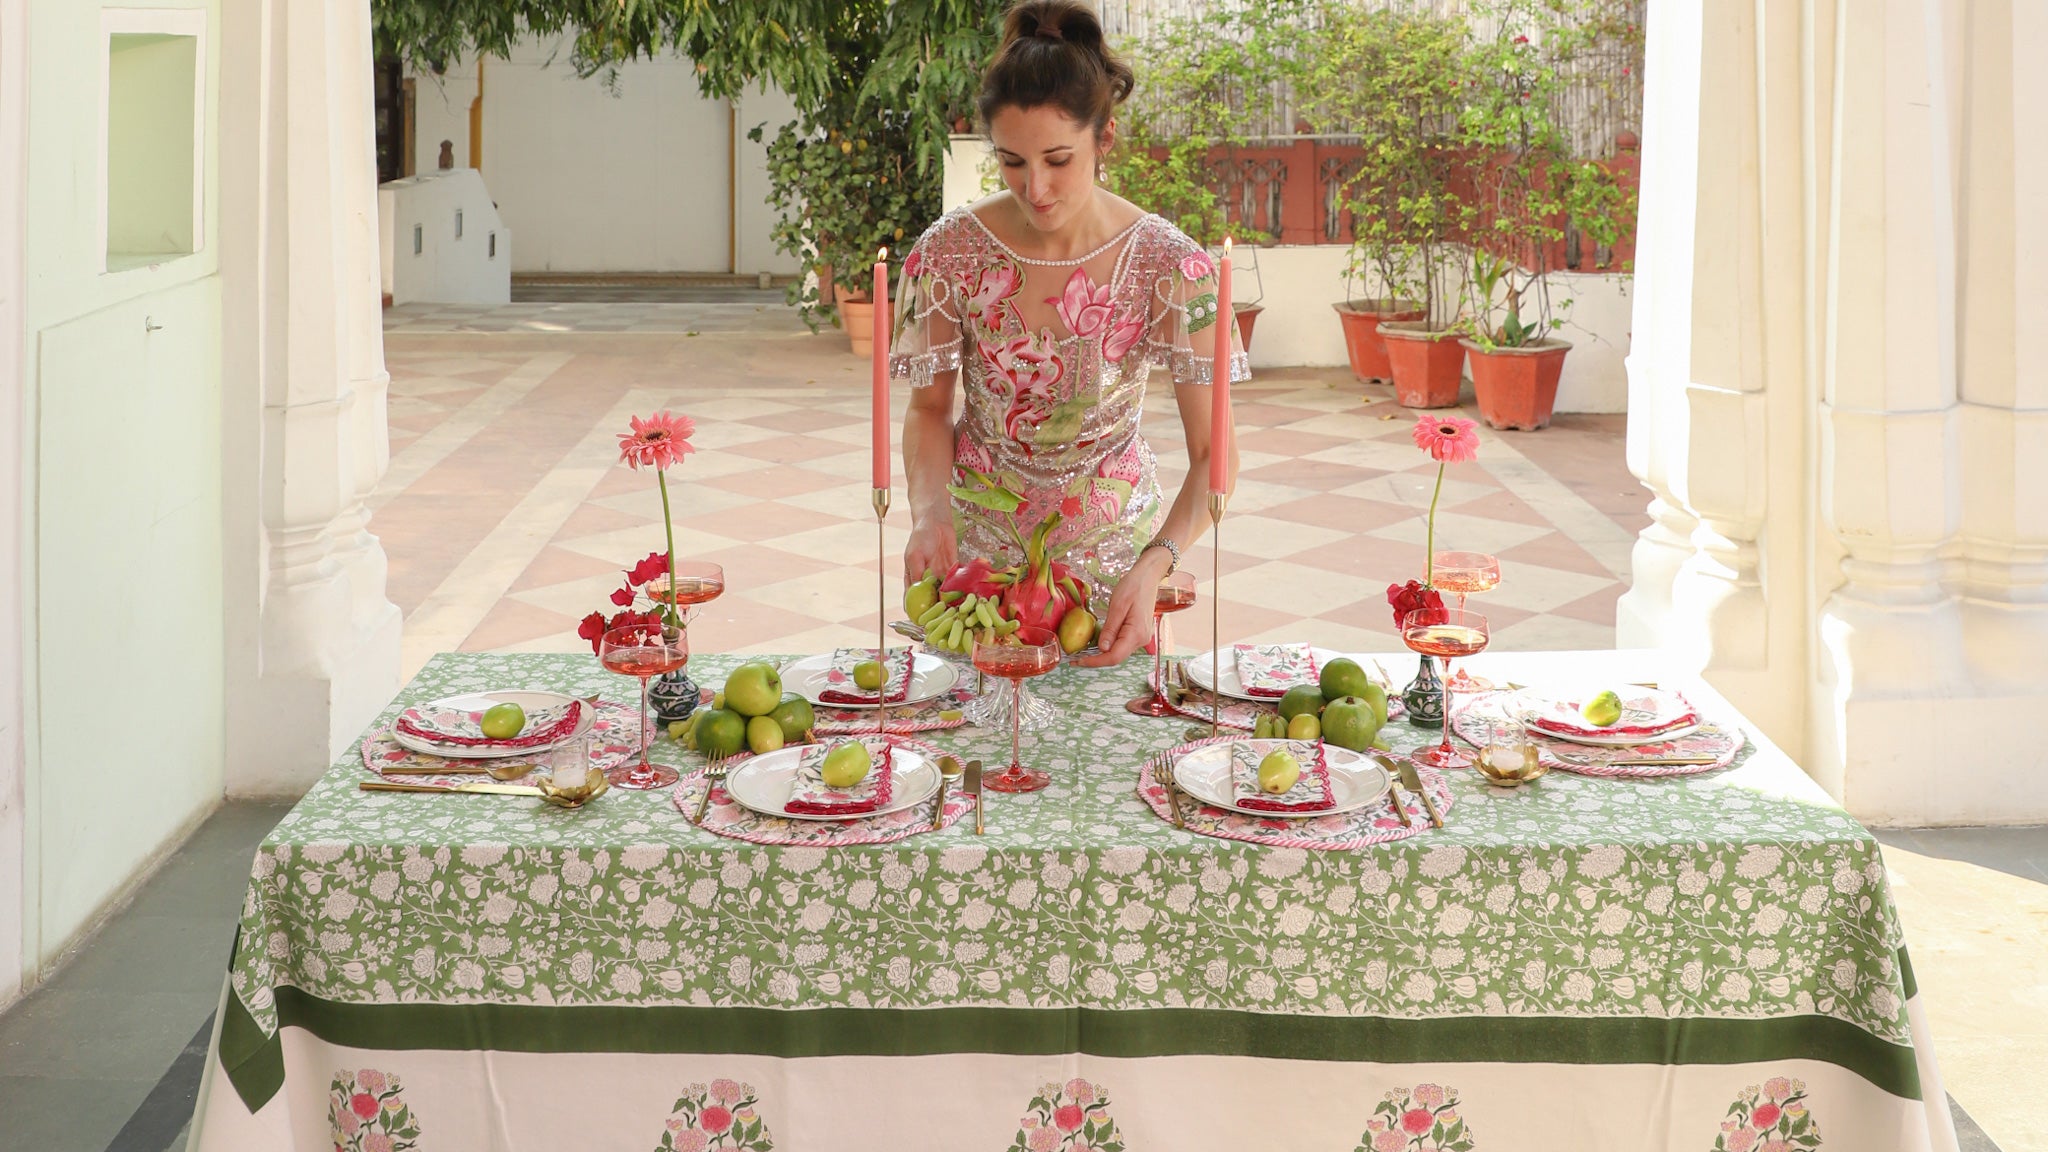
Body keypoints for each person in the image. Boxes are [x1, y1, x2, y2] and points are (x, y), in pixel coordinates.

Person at [891, 0, 1247, 669]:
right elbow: (930, 412)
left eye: (1058, 158)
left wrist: (1156, 567)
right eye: (1012, 162)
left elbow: (1215, 458)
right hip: (976, 569)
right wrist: (928, 512)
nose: (1037, 187)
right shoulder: (950, 253)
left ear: (1103, 138)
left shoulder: (1172, 267)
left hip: (1116, 569)